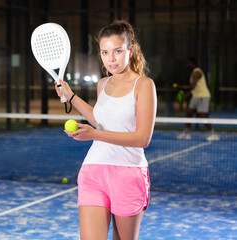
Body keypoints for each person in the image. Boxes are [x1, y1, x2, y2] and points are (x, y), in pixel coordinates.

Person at [56, 20, 156, 240]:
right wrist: (71, 96)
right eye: (105, 52)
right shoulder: (103, 84)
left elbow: (142, 139)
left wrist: (94, 134)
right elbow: (100, 121)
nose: (111, 58)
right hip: (93, 171)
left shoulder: (144, 85)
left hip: (128, 174)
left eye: (117, 51)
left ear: (130, 50)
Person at [174, 57, 219, 141]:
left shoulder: (197, 72)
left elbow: (192, 86)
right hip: (196, 96)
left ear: (193, 64)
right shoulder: (193, 73)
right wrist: (188, 94)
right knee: (189, 113)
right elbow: (195, 88)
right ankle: (186, 133)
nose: (186, 65)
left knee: (202, 115)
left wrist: (179, 86)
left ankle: (213, 134)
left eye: (188, 63)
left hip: (203, 96)